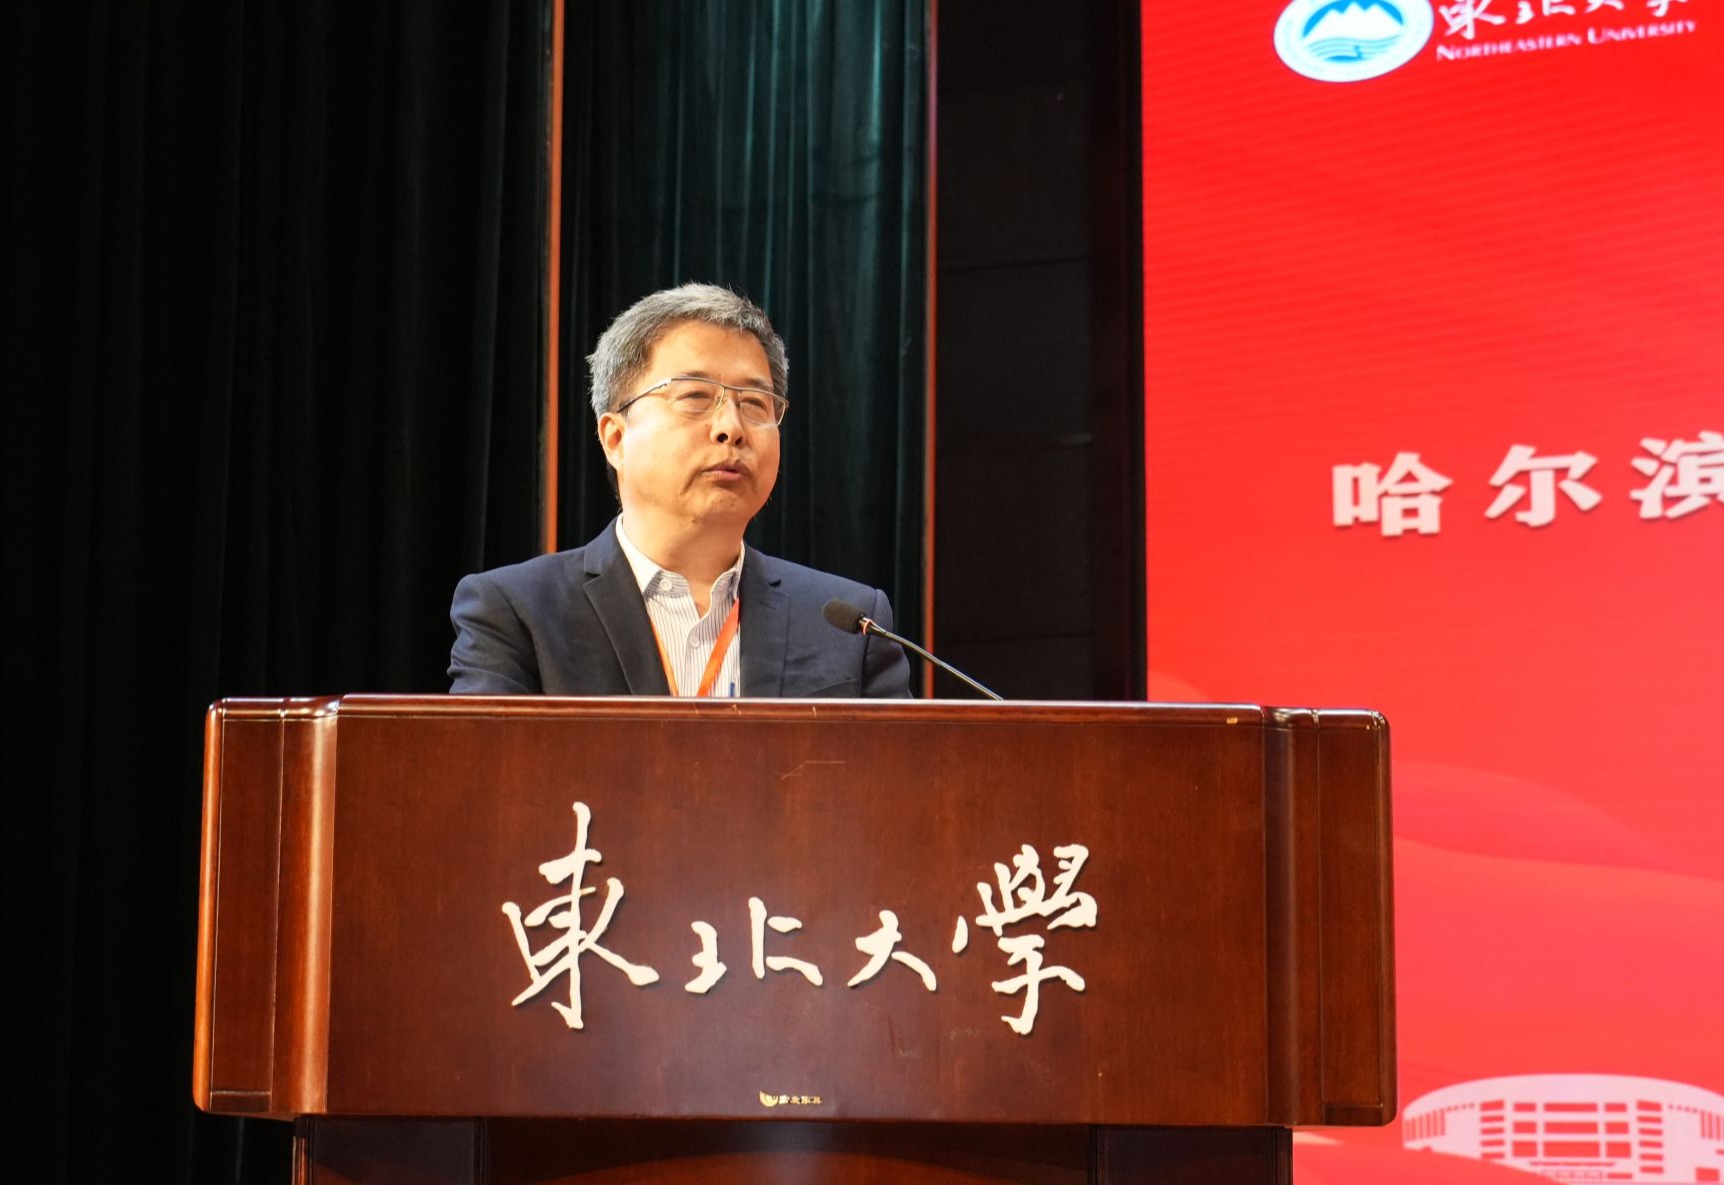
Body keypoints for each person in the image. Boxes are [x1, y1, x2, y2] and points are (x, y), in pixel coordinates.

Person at [448, 283, 912, 697]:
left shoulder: (851, 625)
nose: (731, 428)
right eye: (695, 397)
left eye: (755, 403)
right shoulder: (518, 612)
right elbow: (490, 768)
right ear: (615, 438)